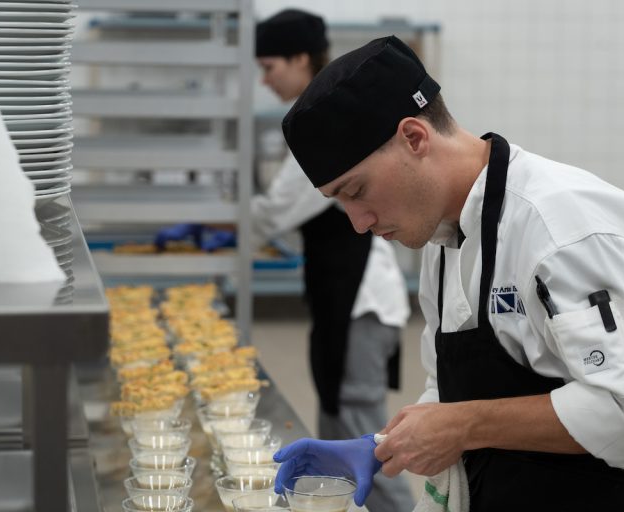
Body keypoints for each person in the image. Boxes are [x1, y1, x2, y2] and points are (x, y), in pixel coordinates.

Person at [270, 35, 624, 511]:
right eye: (339, 202)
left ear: (414, 137)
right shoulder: (443, 240)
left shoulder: (562, 227)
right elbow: (450, 393)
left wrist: (465, 425)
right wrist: (384, 445)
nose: (359, 223)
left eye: (357, 191)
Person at [156, 11, 415, 512]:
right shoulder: (317, 118)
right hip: (344, 298)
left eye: (270, 65)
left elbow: (275, 211)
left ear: (301, 59)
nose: (265, 79)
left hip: (358, 304)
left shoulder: (326, 124)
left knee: (368, 448)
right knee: (347, 433)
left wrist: (217, 226)